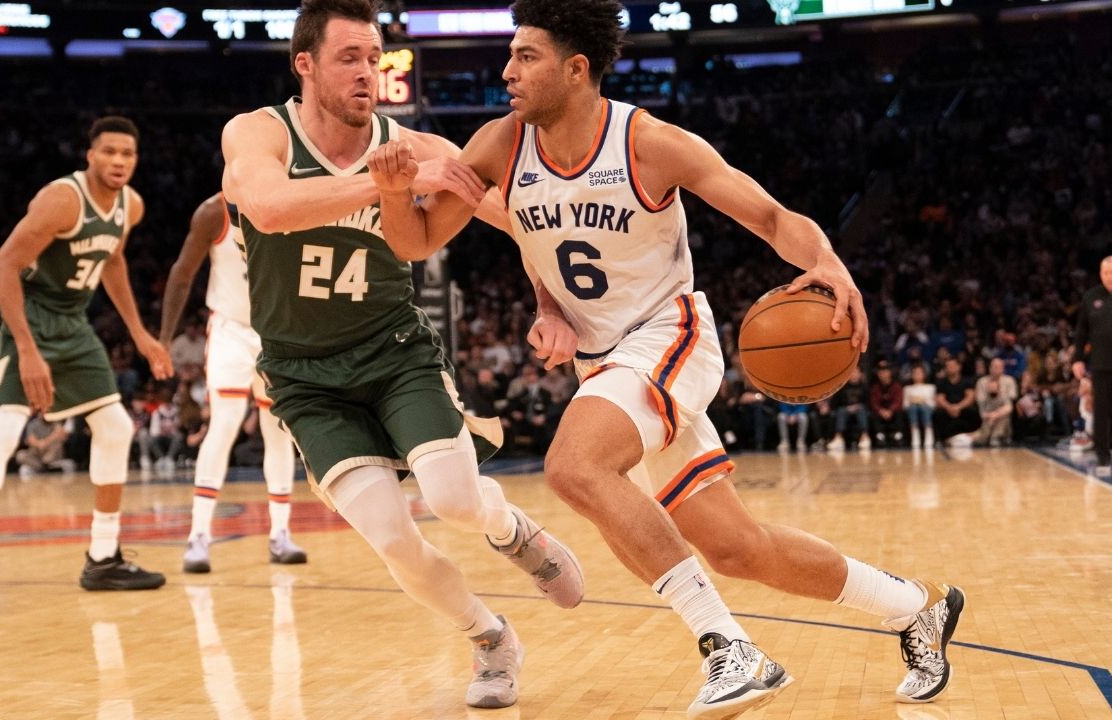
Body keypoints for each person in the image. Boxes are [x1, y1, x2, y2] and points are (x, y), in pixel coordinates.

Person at [366, 0, 964, 713]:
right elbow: (417, 241)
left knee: (575, 465)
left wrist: (831, 264)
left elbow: (769, 216)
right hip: (606, 367)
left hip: (670, 336)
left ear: (576, 68)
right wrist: (393, 193)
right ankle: (915, 606)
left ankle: (729, 649)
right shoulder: (501, 144)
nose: (507, 71)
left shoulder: (649, 143)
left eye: (526, 56)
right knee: (737, 549)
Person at [220, 0, 584, 709]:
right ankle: (490, 638)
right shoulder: (257, 132)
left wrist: (546, 302)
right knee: (391, 537)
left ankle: (511, 528)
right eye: (348, 58)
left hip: (392, 351)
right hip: (304, 376)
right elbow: (267, 207)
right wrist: (389, 185)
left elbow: (517, 218)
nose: (367, 73)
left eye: (374, 58)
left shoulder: (420, 146)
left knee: (452, 499)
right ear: (305, 65)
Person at [0, 116, 173, 616]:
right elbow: (2, 266)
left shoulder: (130, 206)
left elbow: (112, 261)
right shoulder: (62, 199)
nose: (118, 161)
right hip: (17, 313)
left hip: (69, 320)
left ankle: (103, 558)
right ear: (90, 155)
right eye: (108, 152)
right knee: (4, 430)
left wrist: (139, 333)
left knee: (115, 427)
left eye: (127, 154)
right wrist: (25, 350)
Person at [160, 192, 306, 570]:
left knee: (278, 430)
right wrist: (163, 339)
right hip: (229, 330)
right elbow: (182, 273)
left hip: (277, 330)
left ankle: (280, 533)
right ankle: (199, 535)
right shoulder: (213, 212)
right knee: (222, 426)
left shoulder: (288, 201)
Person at [1072, 256, 1112, 477]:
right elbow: (1081, 332)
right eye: (1106, 273)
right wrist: (1077, 359)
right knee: (1102, 410)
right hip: (1101, 363)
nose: (1109, 277)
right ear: (1100, 274)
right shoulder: (1091, 297)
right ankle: (1103, 456)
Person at [934, 357, 980, 446]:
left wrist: (958, 407)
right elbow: (940, 399)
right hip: (947, 409)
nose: (950, 368)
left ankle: (971, 437)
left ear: (959, 367)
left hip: (963, 408)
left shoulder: (967, 381)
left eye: (953, 366)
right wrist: (949, 408)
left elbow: (970, 397)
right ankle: (942, 440)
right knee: (938, 413)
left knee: (973, 411)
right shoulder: (941, 383)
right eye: (948, 366)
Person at [870, 360, 905, 448]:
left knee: (900, 413)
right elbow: (874, 402)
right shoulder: (875, 387)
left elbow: (898, 401)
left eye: (885, 371)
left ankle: (898, 436)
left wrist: (890, 410)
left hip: (893, 412)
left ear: (890, 373)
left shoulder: (896, 386)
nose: (882, 374)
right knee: (873, 414)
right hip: (880, 412)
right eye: (880, 372)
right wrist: (881, 411)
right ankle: (880, 437)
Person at [903, 363, 936, 450]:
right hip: (912, 409)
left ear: (924, 374)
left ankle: (929, 436)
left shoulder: (930, 387)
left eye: (919, 373)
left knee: (923, 408)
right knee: (914, 408)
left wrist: (923, 401)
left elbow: (933, 404)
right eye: (915, 373)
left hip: (927, 408)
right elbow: (905, 404)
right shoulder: (907, 388)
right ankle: (915, 436)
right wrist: (913, 402)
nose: (917, 375)